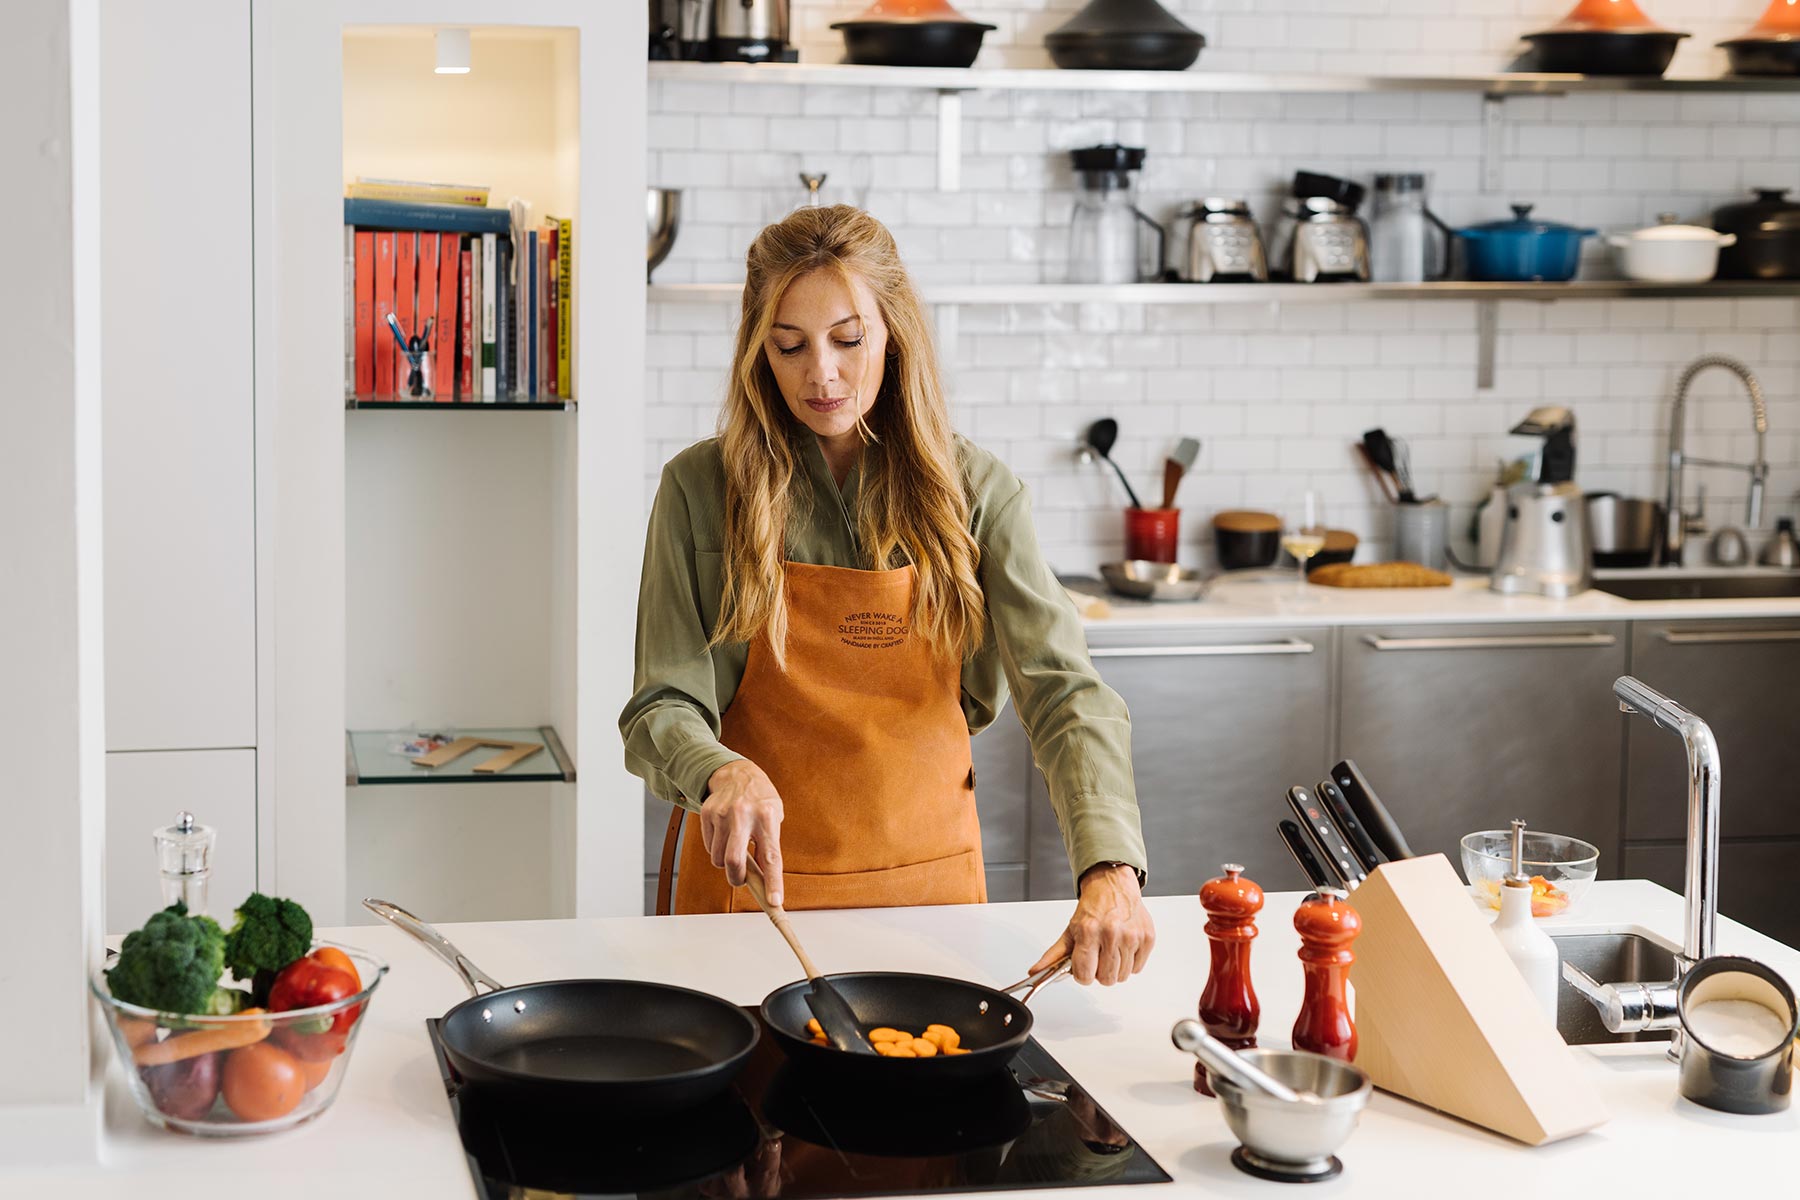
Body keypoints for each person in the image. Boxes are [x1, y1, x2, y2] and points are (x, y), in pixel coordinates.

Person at [620, 205, 1153, 986]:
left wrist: (1111, 868)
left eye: (847, 339)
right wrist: (714, 770)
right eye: (789, 345)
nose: (821, 375)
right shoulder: (701, 490)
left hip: (931, 901)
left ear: (892, 331)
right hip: (750, 907)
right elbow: (659, 703)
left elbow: (1065, 693)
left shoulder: (978, 493)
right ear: (756, 350)